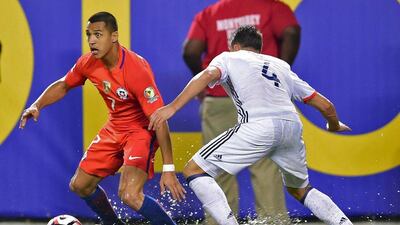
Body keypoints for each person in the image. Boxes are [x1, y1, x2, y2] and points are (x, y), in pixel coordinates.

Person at [149, 25, 353, 225]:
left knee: (195, 170)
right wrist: (333, 125)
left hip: (258, 125)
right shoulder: (280, 66)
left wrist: (173, 107)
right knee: (300, 189)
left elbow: (208, 75)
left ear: (235, 46)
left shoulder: (228, 57)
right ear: (259, 49)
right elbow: (326, 106)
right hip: (291, 126)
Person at [19, 12, 185, 225]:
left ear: (114, 36)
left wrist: (169, 169)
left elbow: (159, 118)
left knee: (129, 195)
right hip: (114, 127)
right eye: (88, 35)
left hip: (140, 131)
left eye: (98, 34)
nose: (91, 41)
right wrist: (37, 104)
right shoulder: (88, 62)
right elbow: (63, 84)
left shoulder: (136, 69)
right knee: (79, 185)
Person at [182, 0, 300, 223]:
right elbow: (291, 31)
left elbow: (190, 51)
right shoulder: (271, 7)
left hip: (220, 101)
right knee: (266, 167)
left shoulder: (209, 14)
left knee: (217, 167)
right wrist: (279, 75)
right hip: (262, 101)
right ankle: (273, 221)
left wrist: (208, 83)